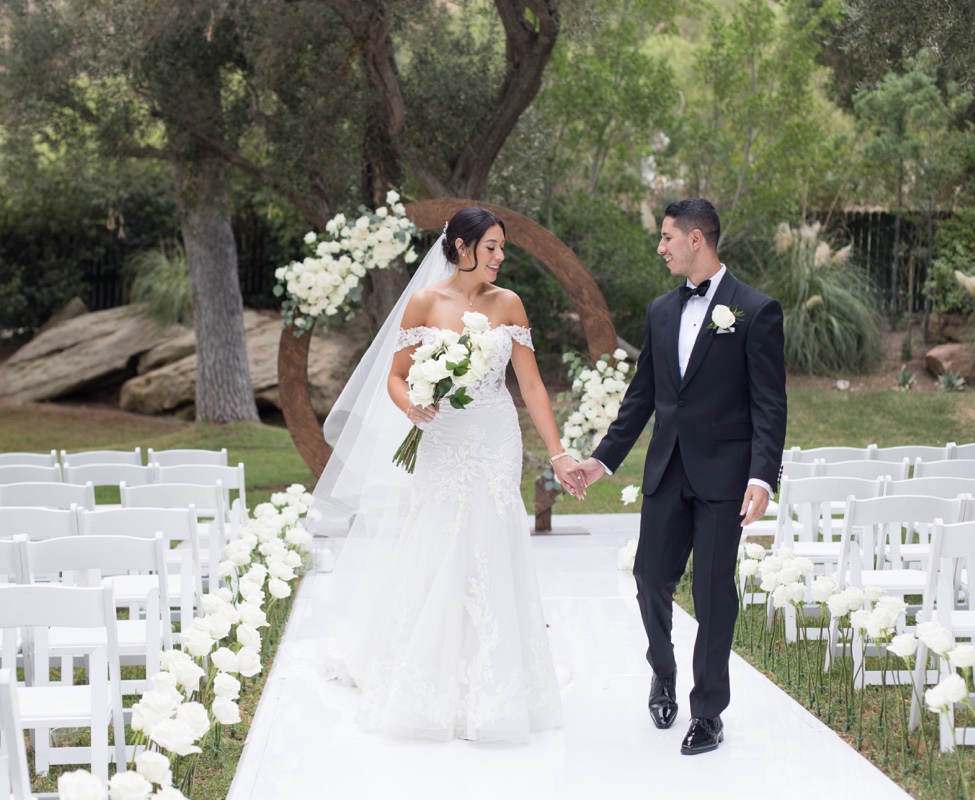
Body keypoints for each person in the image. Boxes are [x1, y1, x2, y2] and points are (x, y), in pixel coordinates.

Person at [315, 206, 581, 743]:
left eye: (502, 248)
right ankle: (424, 673)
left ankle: (494, 679)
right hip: (442, 439)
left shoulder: (509, 304)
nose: (500, 257)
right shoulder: (424, 302)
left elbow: (529, 387)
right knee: (439, 539)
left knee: (491, 539)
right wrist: (411, 406)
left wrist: (557, 454)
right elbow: (395, 377)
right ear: (461, 248)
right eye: (491, 247)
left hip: (495, 439)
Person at [570, 198, 787, 755]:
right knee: (649, 580)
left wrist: (762, 478)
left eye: (668, 237)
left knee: (715, 595)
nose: (661, 247)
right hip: (667, 473)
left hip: (726, 479)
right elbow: (642, 398)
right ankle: (662, 672)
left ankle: (708, 712)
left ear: (697, 240)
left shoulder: (756, 311)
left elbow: (770, 404)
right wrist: (600, 460)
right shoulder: (661, 311)